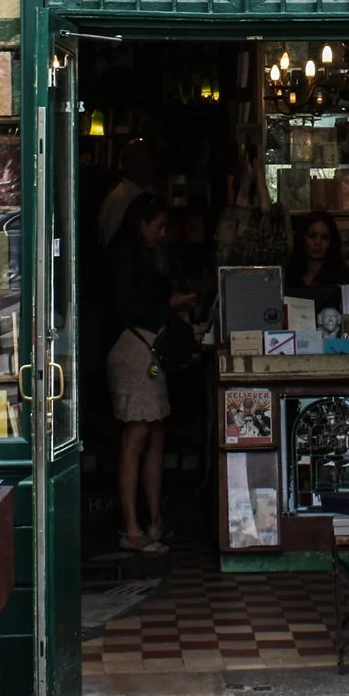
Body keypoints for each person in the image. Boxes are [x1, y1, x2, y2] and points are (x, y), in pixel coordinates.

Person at [104, 193, 194, 555]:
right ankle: (132, 528)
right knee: (137, 435)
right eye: (157, 227)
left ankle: (154, 520)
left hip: (145, 349)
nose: (162, 234)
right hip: (133, 350)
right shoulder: (124, 257)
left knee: (154, 433)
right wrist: (171, 304)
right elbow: (127, 307)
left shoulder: (140, 254)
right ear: (141, 223)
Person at [283, 211, 349, 313]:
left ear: (331, 242)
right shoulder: (285, 277)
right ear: (302, 238)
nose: (318, 242)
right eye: (312, 236)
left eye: (324, 238)